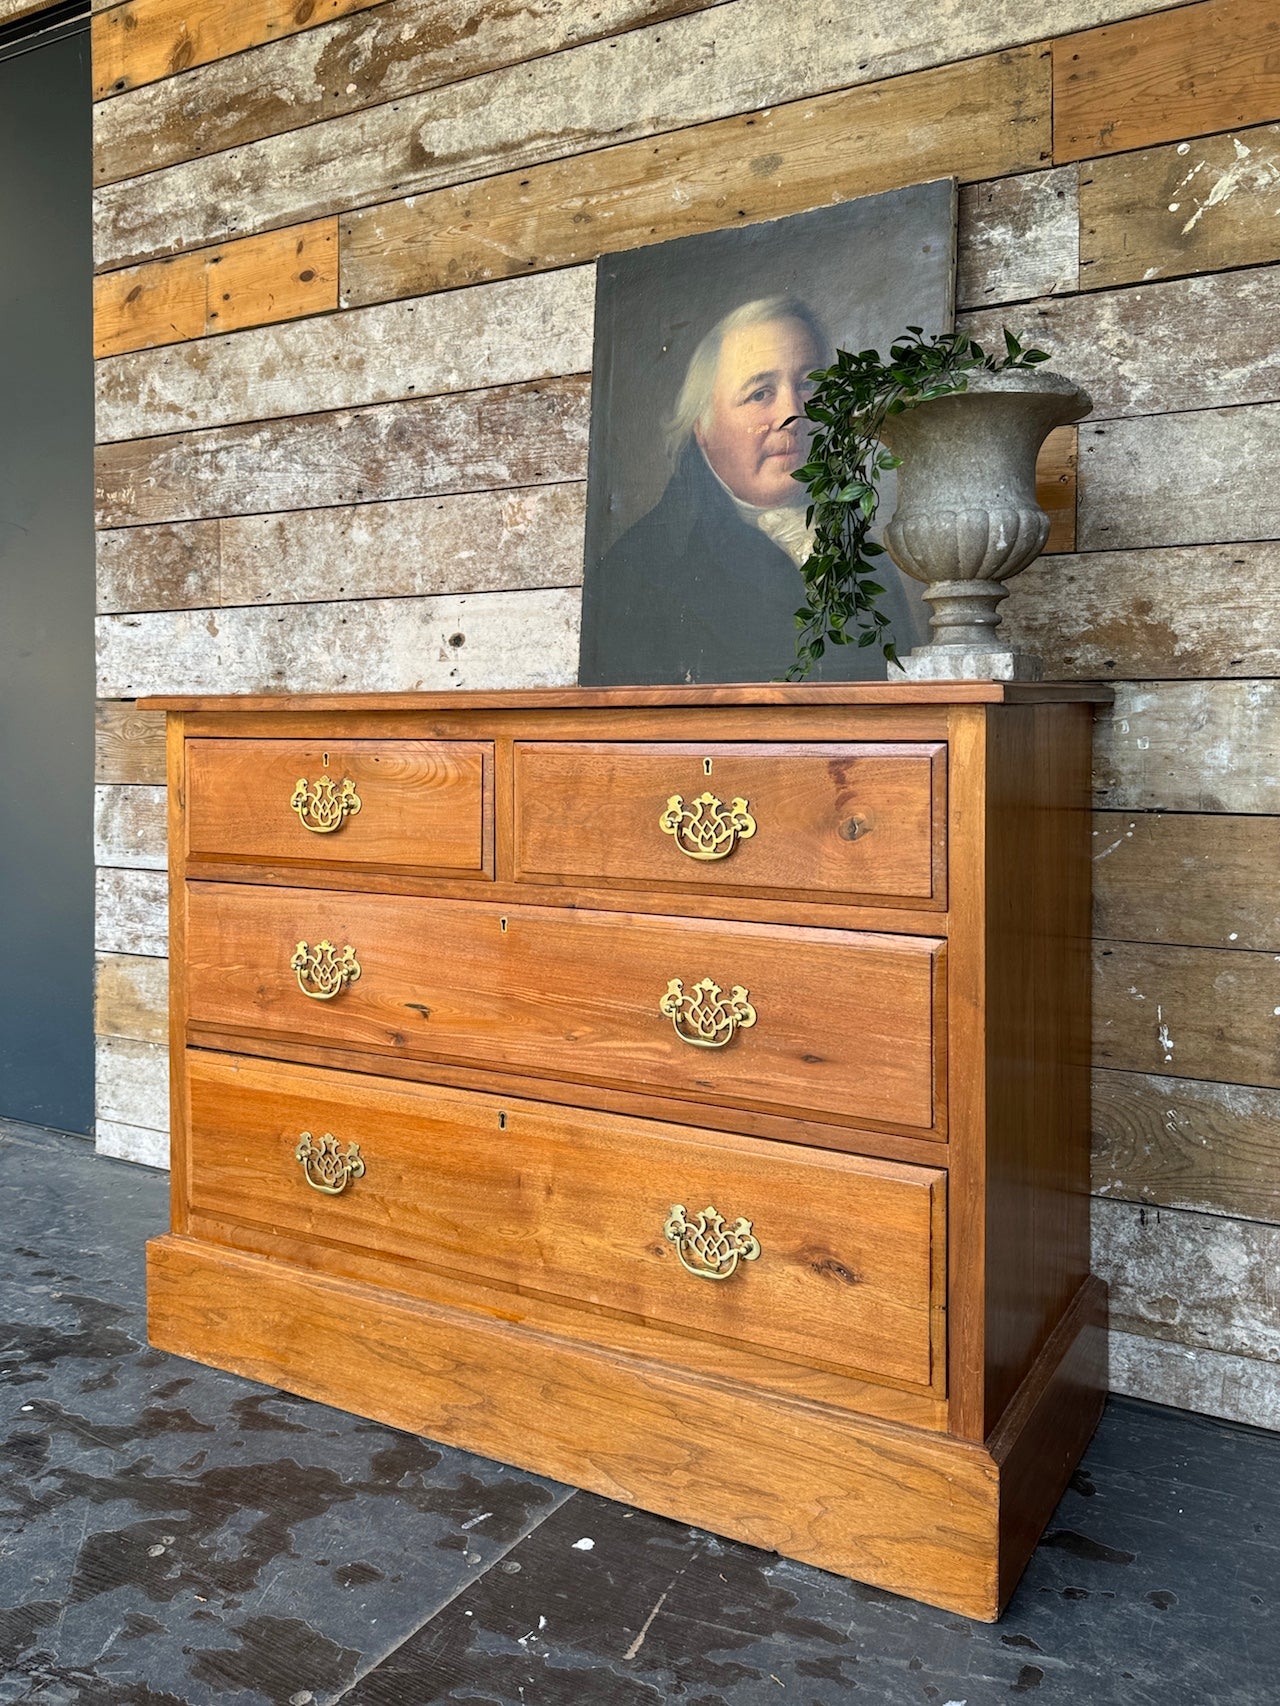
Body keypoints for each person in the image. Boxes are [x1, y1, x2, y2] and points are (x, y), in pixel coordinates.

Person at [578, 294, 918, 685]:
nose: (794, 414)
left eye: (808, 384)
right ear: (703, 427)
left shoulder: (861, 551)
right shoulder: (642, 572)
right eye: (760, 393)